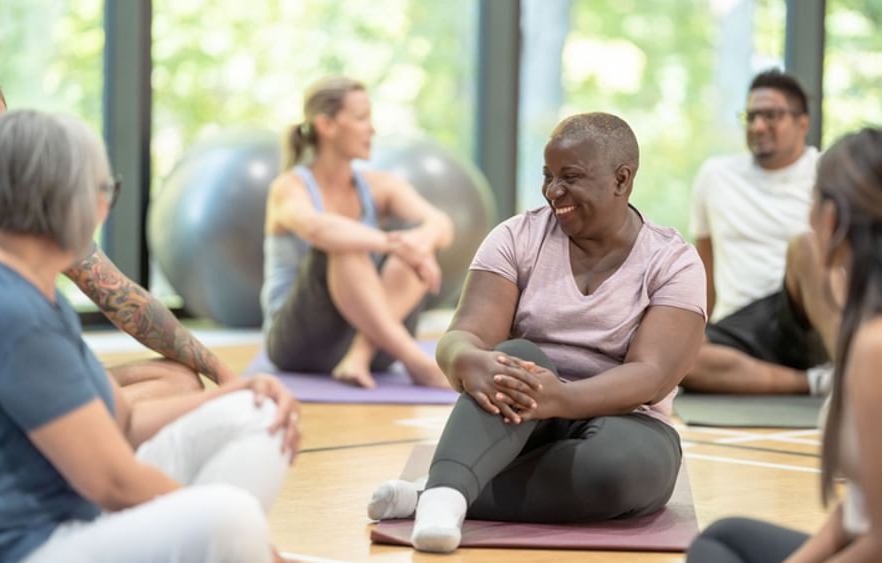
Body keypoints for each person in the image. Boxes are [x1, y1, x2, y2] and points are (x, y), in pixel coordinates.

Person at [366, 112, 707, 553]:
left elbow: (652, 375)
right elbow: (462, 336)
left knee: (620, 472)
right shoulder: (515, 237)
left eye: (570, 177)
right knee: (517, 354)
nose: (553, 191)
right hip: (520, 409)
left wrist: (562, 399)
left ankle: (431, 492)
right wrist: (467, 360)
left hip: (628, 418)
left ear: (621, 180)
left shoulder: (674, 261)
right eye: (547, 176)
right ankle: (445, 499)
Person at [0, 110, 301, 563]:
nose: (104, 208)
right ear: (66, 200)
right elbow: (113, 483)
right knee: (231, 517)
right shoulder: (13, 312)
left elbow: (123, 423)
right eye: (103, 190)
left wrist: (237, 389)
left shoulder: (40, 291)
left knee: (257, 413)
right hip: (34, 546)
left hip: (79, 512)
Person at [0, 70, 239, 402]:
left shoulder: (29, 213)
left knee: (180, 380)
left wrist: (224, 375)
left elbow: (126, 301)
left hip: (27, 385)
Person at [687, 127, 882, 562]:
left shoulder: (874, 347)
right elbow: (862, 510)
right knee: (721, 539)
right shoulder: (865, 331)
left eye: (812, 199)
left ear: (833, 218)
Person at [261, 76, 454, 389]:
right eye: (362, 118)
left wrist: (417, 245)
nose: (372, 129)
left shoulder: (380, 185)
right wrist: (395, 245)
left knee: (419, 244)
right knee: (344, 244)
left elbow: (441, 224)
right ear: (326, 125)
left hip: (373, 342)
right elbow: (318, 228)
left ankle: (360, 354)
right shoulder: (288, 187)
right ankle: (418, 363)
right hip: (298, 344)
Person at [683, 69, 837, 395]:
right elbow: (704, 270)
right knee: (679, 357)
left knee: (805, 245)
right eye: (751, 116)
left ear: (802, 123)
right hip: (739, 324)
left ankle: (846, 367)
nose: (758, 126)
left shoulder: (828, 172)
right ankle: (816, 382)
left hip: (804, 313)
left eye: (771, 116)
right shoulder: (715, 175)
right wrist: (695, 330)